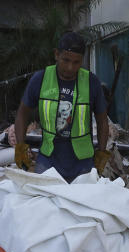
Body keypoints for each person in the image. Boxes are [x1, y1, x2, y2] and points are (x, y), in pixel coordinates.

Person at [14, 32, 111, 182]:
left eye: (76, 62)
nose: (70, 67)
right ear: (56, 54)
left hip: (83, 161)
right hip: (48, 159)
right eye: (65, 60)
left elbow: (102, 120)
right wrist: (20, 146)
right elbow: (22, 113)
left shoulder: (91, 82)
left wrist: (102, 153)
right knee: (44, 201)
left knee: (83, 203)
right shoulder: (40, 79)